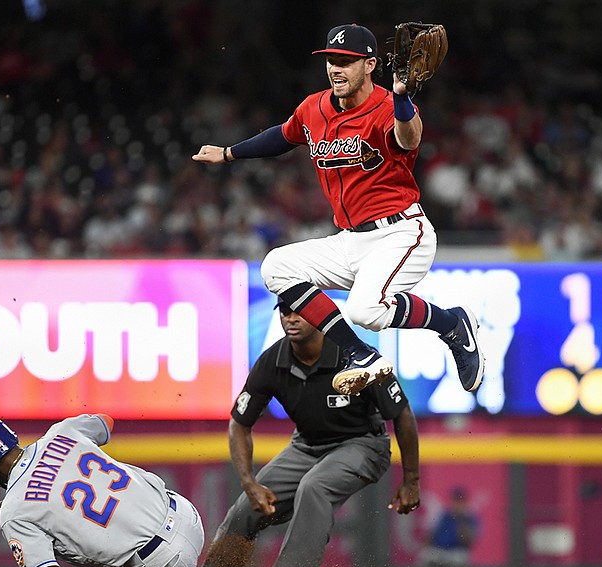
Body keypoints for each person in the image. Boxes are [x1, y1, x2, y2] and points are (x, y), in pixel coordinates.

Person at [192, 23, 484, 398]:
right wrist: (230, 153)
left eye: (347, 61)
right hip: (349, 240)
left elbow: (409, 137)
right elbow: (283, 135)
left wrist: (402, 98)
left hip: (400, 231)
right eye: (331, 59)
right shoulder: (314, 106)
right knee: (275, 268)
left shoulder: (386, 108)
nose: (336, 68)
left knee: (366, 311)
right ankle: (358, 353)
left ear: (370, 65)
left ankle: (451, 324)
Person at [0, 414, 318, 567]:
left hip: (160, 563)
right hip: (186, 516)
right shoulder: (62, 432)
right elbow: (105, 422)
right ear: (11, 438)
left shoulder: (15, 509)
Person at [194, 297, 421, 567]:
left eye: (300, 311)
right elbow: (239, 424)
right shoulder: (273, 361)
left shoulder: (354, 355)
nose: (292, 318)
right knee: (247, 505)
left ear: (320, 315)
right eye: (285, 312)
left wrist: (411, 480)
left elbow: (402, 413)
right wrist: (249, 482)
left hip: (363, 443)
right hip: (306, 445)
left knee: (314, 486)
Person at [419, 486, 481, 567]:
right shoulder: (443, 516)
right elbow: (430, 537)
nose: (457, 504)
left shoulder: (469, 518)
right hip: (440, 551)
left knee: (464, 557)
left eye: (460, 501)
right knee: (424, 554)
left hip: (457, 553)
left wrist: (461, 518)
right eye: (455, 500)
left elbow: (468, 541)